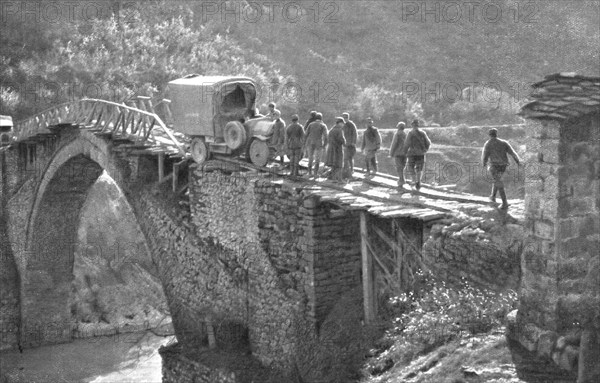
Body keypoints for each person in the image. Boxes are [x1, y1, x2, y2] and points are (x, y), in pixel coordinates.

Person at [482, 128, 521, 209]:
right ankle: (492, 196)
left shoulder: (488, 143)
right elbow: (512, 153)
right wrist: (518, 161)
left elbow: (485, 156)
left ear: (489, 135)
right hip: (503, 166)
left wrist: (484, 163)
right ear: (496, 134)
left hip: (494, 166)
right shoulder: (504, 142)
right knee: (497, 180)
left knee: (498, 181)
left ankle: (504, 203)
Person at [403, 119, 431, 190]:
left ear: (412, 125)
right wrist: (425, 150)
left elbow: (406, 144)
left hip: (412, 154)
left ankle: (414, 180)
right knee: (419, 168)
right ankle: (418, 181)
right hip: (421, 154)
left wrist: (405, 152)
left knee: (410, 167)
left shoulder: (410, 133)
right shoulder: (423, 133)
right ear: (418, 125)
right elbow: (428, 143)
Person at [303, 112, 328, 177]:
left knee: (310, 158)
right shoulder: (323, 125)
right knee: (317, 159)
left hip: (310, 143)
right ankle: (315, 174)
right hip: (318, 143)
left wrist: (304, 143)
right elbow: (326, 136)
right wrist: (324, 145)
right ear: (321, 118)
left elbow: (305, 134)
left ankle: (309, 173)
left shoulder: (311, 124)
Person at [326, 117, 346, 182]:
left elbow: (328, 139)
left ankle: (334, 179)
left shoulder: (331, 130)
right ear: (339, 123)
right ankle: (340, 179)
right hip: (338, 149)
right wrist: (345, 144)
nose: (343, 125)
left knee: (334, 164)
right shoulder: (339, 130)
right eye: (342, 123)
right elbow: (341, 139)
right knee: (340, 165)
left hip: (331, 149)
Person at [389, 121, 408, 187]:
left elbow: (394, 144)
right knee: (403, 167)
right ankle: (402, 179)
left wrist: (391, 153)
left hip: (398, 153)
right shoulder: (406, 134)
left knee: (398, 167)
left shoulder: (397, 134)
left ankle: (401, 180)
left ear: (398, 127)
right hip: (405, 154)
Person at [342, 112, 358, 179]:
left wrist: (354, 142)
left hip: (351, 144)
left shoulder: (351, 124)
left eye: (346, 117)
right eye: (344, 117)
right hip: (345, 144)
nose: (345, 119)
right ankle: (346, 170)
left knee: (350, 158)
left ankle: (351, 169)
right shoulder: (342, 125)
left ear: (348, 118)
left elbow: (355, 134)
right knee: (345, 158)